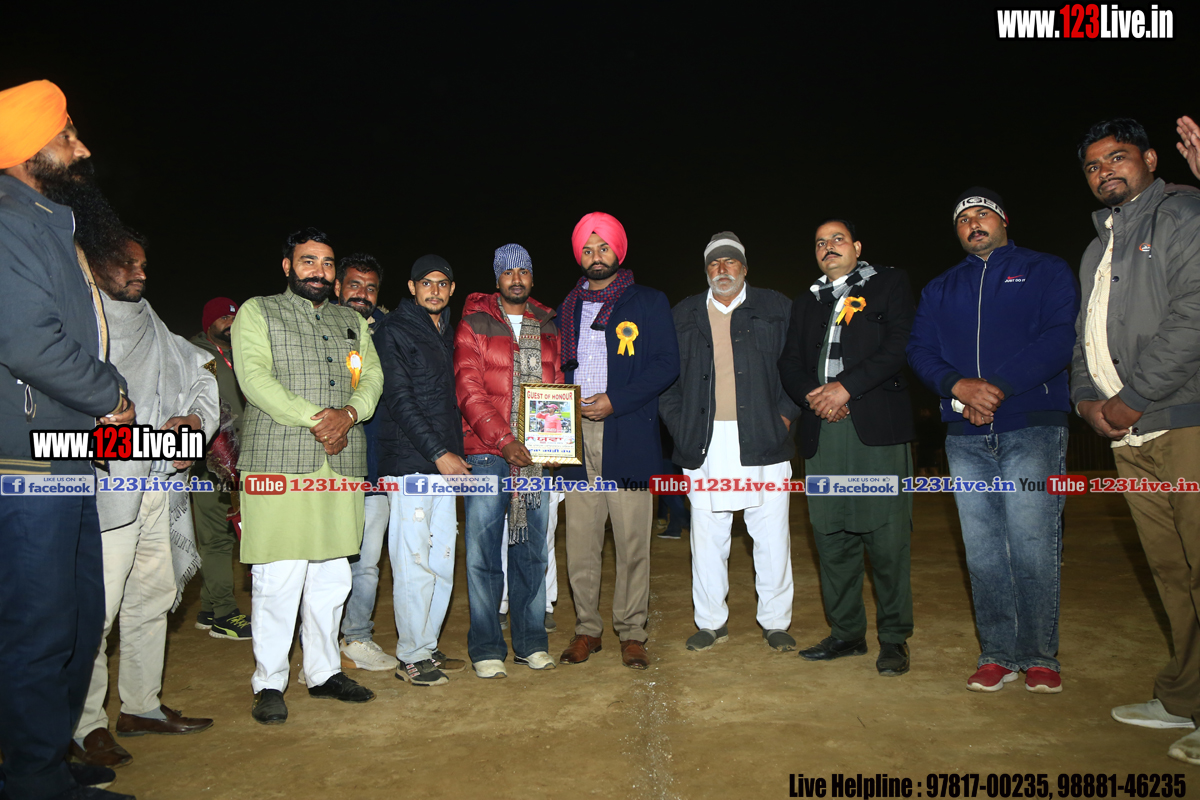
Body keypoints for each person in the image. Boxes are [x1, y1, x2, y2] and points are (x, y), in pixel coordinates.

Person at [0, 79, 138, 800]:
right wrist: (110, 394)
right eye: (67, 135)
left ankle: (44, 760)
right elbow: (29, 343)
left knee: (77, 622)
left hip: (64, 456)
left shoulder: (47, 221)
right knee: (40, 628)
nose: (81, 148)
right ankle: (32, 780)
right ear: (27, 148)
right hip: (25, 463)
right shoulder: (7, 222)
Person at [908, 188, 1079, 694]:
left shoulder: (1045, 269)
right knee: (983, 550)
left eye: (983, 214)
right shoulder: (940, 288)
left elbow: (1059, 337)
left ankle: (1040, 656)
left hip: (1032, 424)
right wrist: (957, 386)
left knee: (1033, 543)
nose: (973, 223)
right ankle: (998, 654)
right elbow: (919, 349)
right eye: (963, 218)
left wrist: (997, 387)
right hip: (965, 433)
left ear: (1004, 220)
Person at [1072, 118, 1200, 765]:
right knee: (1172, 571)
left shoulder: (1182, 213)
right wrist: (1085, 401)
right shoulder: (1098, 248)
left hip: (1184, 423)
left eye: (1117, 157)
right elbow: (1083, 337)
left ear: (1150, 158)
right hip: (1131, 438)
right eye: (1093, 166)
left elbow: (1194, 314)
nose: (1105, 172)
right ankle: (1185, 697)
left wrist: (1132, 396)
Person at [72, 231, 218, 766]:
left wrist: (194, 423)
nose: (140, 272)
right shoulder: (79, 323)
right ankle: (83, 725)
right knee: (95, 611)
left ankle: (140, 707)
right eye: (127, 263)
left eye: (143, 263)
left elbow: (203, 375)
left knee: (152, 598)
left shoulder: (153, 323)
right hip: (106, 491)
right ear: (93, 265)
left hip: (159, 487)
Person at [232, 228, 383, 723]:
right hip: (279, 460)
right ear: (287, 266)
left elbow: (372, 377)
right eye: (308, 261)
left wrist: (350, 413)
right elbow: (255, 379)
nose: (319, 271)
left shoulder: (351, 320)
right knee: (278, 577)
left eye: (326, 263)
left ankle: (323, 672)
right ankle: (269, 682)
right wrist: (320, 419)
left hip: (342, 461)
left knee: (332, 577)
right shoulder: (259, 311)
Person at [778, 220, 916, 676]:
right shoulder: (806, 302)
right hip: (824, 433)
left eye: (837, 239)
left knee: (887, 539)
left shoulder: (889, 284)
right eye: (820, 242)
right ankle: (847, 633)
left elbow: (900, 344)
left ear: (857, 246)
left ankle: (894, 638)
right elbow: (790, 362)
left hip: (874, 432)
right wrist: (815, 397)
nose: (828, 247)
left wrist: (845, 389)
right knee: (831, 537)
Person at [660, 232, 800, 654]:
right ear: (706, 271)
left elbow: (799, 366)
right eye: (714, 263)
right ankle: (710, 623)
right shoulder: (683, 313)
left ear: (744, 267)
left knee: (771, 535)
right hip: (704, 440)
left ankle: (775, 622)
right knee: (707, 536)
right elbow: (665, 379)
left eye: (730, 261)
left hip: (763, 436)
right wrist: (680, 425)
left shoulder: (776, 307)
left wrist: (784, 416)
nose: (722, 269)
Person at [556, 212, 680, 669]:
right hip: (575, 438)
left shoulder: (647, 301)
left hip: (627, 432)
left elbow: (667, 364)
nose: (595, 256)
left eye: (603, 247)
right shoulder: (566, 307)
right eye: (587, 249)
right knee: (581, 541)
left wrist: (616, 401)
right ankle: (587, 629)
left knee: (632, 541)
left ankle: (632, 631)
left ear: (618, 251)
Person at [455, 243, 564, 678]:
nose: (516, 279)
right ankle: (486, 648)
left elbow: (555, 388)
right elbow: (468, 388)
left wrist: (555, 443)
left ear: (532, 277)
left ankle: (531, 643)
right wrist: (504, 442)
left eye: (523, 271)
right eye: (508, 272)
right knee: (483, 556)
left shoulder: (548, 324)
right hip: (486, 454)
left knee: (532, 552)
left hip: (534, 459)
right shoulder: (474, 322)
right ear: (496, 279)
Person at [373, 254, 470, 687]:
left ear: (451, 289)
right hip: (412, 464)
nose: (434, 290)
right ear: (412, 287)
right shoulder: (394, 329)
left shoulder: (447, 331)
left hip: (444, 466)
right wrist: (439, 453)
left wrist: (450, 454)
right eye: (425, 283)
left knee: (442, 559)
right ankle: (410, 656)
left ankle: (426, 646)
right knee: (413, 562)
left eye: (442, 283)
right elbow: (399, 399)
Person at [332, 254, 398, 672]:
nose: (363, 294)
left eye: (371, 287)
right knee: (323, 562)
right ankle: (320, 643)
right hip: (326, 466)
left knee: (368, 563)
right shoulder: (316, 329)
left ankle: (356, 636)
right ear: (338, 286)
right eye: (354, 284)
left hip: (375, 467)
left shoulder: (389, 332)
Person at [190, 296, 252, 640]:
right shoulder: (195, 354)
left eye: (234, 317)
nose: (230, 323)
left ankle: (210, 608)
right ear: (208, 323)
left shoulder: (243, 352)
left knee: (230, 534)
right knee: (216, 537)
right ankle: (225, 615)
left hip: (245, 460)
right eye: (223, 318)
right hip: (210, 462)